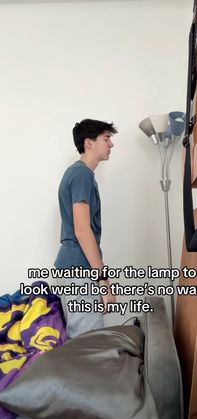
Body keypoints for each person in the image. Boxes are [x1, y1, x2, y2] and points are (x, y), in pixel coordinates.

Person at [54, 118, 117, 338]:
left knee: (82, 343)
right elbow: (82, 230)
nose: (111, 144)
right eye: (107, 138)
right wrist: (103, 280)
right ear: (89, 143)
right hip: (78, 270)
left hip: (74, 268)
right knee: (88, 345)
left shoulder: (80, 174)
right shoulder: (81, 174)